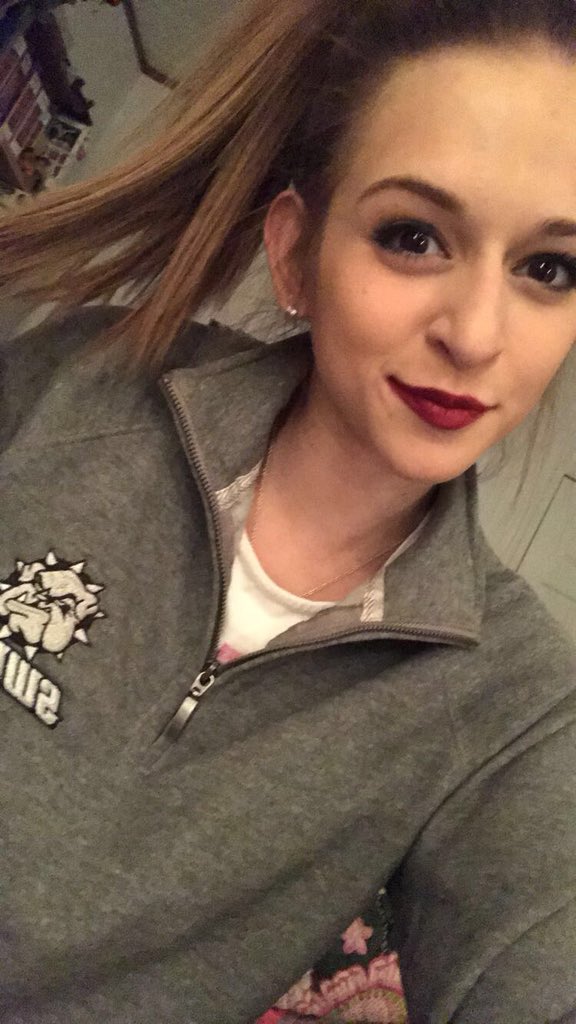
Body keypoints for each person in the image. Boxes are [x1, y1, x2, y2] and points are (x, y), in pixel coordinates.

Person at [0, 1, 575, 1022]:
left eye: (548, 269)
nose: (478, 334)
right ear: (297, 253)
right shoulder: (82, 386)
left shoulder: (517, 707)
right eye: (413, 237)